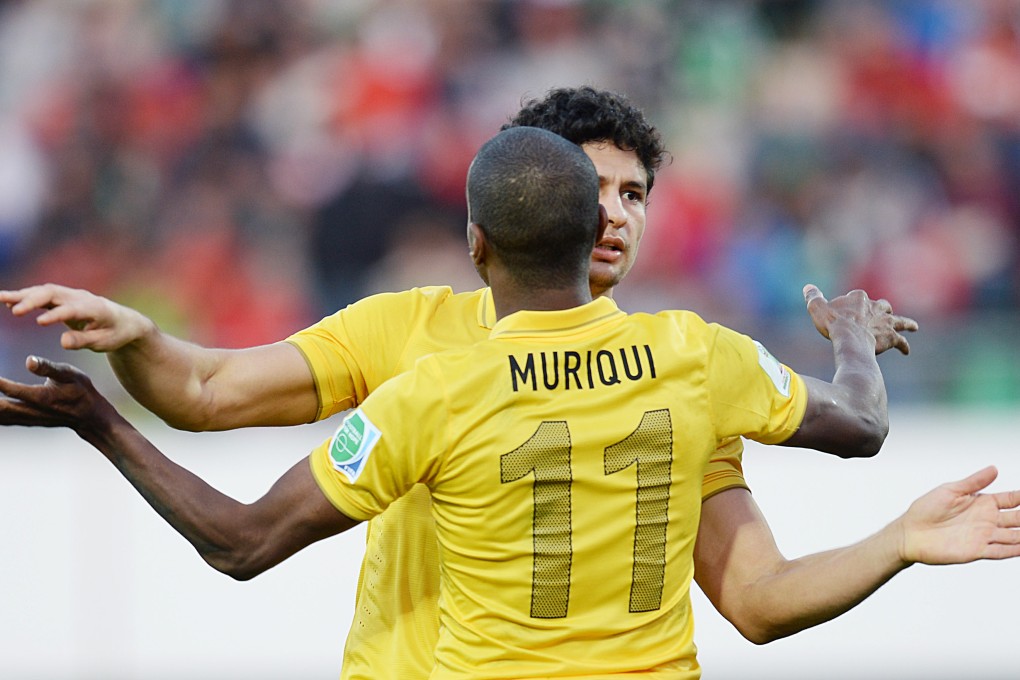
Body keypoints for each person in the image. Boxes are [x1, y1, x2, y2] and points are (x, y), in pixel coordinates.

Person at [2, 126, 1019, 678]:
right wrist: (143, 342)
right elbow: (210, 387)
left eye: (635, 194)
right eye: (599, 190)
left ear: (483, 234)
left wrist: (99, 416)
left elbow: (753, 597)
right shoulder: (690, 359)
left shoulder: (438, 387)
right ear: (574, 223)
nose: (617, 211)